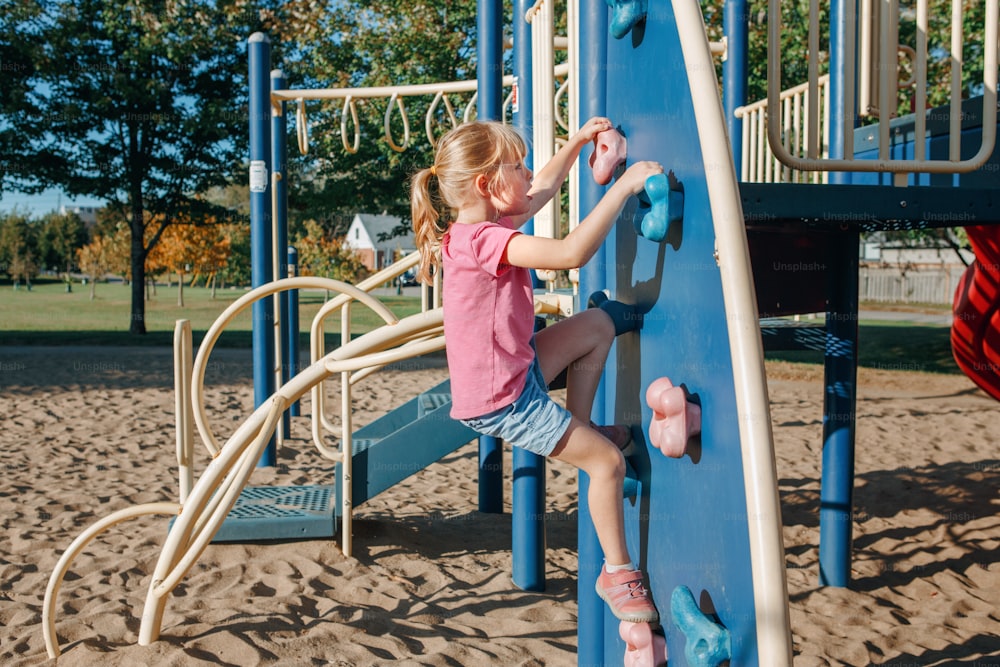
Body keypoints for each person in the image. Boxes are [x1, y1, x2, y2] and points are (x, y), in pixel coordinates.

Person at [410, 118, 663, 623]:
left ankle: (583, 425)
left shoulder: (483, 225)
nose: (528, 173)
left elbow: (541, 188)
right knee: (607, 464)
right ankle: (617, 574)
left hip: (515, 369)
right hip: (503, 399)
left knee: (595, 326)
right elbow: (569, 254)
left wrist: (573, 145)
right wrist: (627, 187)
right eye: (518, 166)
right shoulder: (485, 240)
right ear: (487, 185)